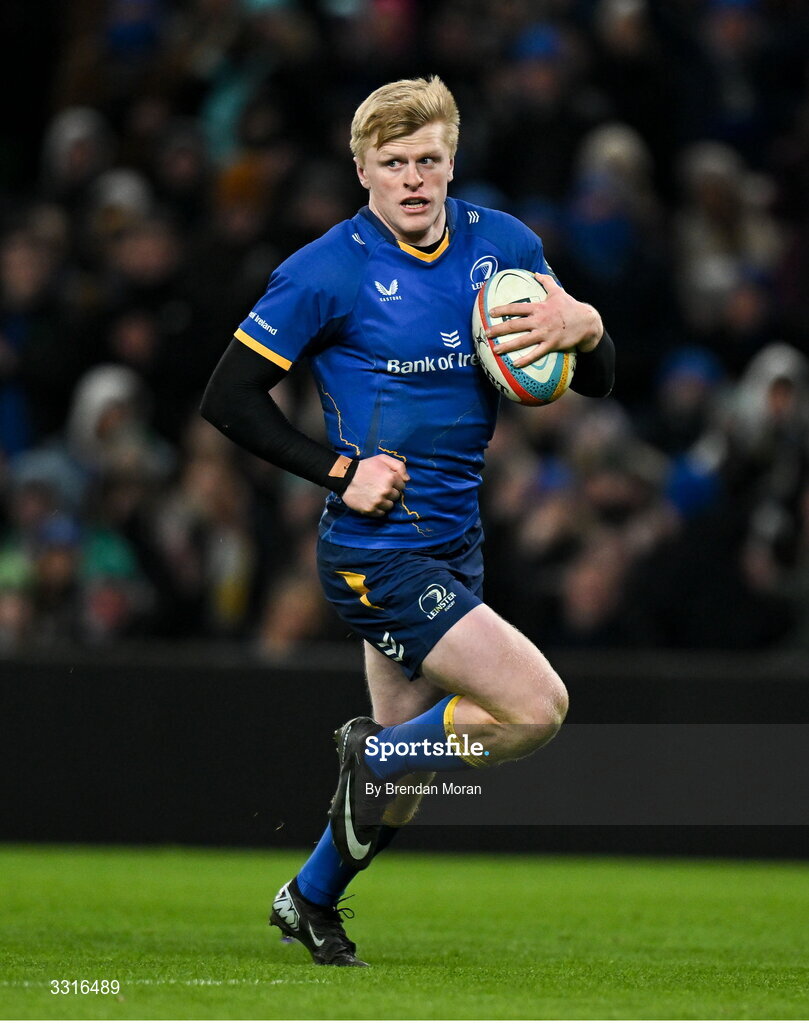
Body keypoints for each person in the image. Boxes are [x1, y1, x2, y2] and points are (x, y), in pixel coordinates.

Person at [200, 76, 615, 966]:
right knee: (533, 707)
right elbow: (227, 397)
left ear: (452, 160)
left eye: (428, 160)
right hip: (375, 552)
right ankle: (373, 761)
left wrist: (584, 325)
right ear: (362, 171)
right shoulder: (324, 270)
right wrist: (338, 470)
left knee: (413, 768)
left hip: (455, 541)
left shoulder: (502, 247)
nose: (414, 179)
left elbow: (598, 374)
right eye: (393, 163)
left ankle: (309, 898)